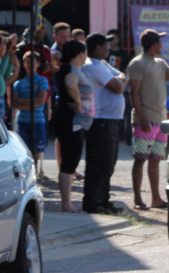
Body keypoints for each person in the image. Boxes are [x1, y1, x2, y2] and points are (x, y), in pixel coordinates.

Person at [126, 28, 169, 210]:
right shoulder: (137, 63)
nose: (162, 45)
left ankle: (156, 199)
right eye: (159, 41)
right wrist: (141, 116)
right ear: (154, 44)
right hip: (145, 120)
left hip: (160, 120)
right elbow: (133, 92)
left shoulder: (160, 63)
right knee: (141, 159)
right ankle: (137, 199)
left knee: (156, 159)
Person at [80, 33, 128, 215]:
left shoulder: (103, 64)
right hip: (101, 121)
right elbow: (118, 86)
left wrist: (121, 80)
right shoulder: (92, 66)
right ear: (97, 48)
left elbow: (122, 75)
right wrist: (121, 81)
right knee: (99, 163)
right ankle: (93, 202)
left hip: (111, 120)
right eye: (105, 46)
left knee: (109, 163)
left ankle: (103, 200)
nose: (108, 49)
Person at [53, 40, 94, 213]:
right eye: (85, 53)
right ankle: (66, 204)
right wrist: (78, 102)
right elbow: (70, 84)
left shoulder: (72, 69)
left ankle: (67, 203)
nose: (86, 56)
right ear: (80, 54)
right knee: (70, 162)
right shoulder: (71, 69)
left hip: (75, 121)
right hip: (72, 121)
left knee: (70, 161)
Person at [12, 51, 49, 176]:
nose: (29, 65)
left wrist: (22, 101)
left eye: (32, 62)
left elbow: (41, 100)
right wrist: (32, 102)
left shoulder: (42, 80)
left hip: (37, 120)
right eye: (27, 62)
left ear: (38, 64)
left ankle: (35, 171)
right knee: (25, 150)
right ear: (24, 64)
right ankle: (29, 173)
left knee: (37, 150)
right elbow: (15, 104)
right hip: (23, 120)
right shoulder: (19, 83)